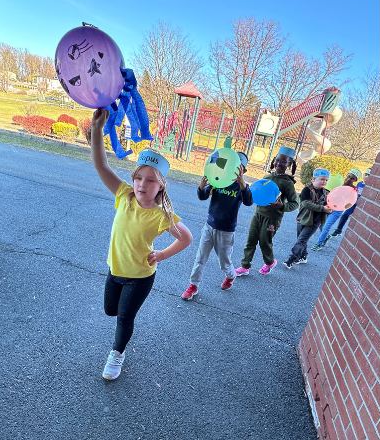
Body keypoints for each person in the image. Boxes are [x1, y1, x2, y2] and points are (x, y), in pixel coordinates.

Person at [88, 114, 191, 380]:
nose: (142, 184)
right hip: (115, 270)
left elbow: (186, 237)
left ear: (161, 187)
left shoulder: (161, 215)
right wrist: (98, 129)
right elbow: (101, 165)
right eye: (138, 178)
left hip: (140, 277)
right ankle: (119, 341)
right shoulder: (123, 195)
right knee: (110, 310)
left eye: (150, 181)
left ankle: (117, 354)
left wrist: (162, 254)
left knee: (124, 317)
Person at [184, 151, 252, 299]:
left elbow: (248, 201)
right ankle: (193, 286)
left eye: (238, 167)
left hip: (226, 231)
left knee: (224, 261)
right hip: (209, 226)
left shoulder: (241, 187)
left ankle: (230, 275)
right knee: (200, 258)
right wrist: (201, 187)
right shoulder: (218, 179)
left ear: (243, 170)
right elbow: (203, 196)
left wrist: (242, 184)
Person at [235, 148, 299, 275]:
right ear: (274, 160)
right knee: (251, 240)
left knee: (264, 242)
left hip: (272, 219)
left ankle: (270, 262)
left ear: (289, 164)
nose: (280, 163)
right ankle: (245, 266)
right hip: (258, 214)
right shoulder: (267, 177)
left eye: (284, 162)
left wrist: (282, 206)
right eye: (278, 160)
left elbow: (295, 204)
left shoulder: (288, 183)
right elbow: (258, 193)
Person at [284, 169, 330, 268]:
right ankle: (303, 257)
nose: (324, 182)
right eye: (322, 179)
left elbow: (330, 206)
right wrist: (323, 208)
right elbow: (306, 203)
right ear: (313, 179)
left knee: (301, 240)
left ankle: (292, 259)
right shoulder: (307, 190)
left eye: (326, 180)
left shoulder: (327, 193)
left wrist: (330, 210)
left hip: (314, 222)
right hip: (302, 219)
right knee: (301, 239)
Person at [316, 168, 362, 248]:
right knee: (321, 225)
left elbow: (350, 202)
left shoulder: (353, 190)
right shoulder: (338, 182)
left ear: (355, 180)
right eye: (349, 176)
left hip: (338, 210)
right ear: (347, 174)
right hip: (329, 206)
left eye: (352, 178)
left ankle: (319, 243)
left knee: (326, 227)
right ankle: (325, 238)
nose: (349, 179)